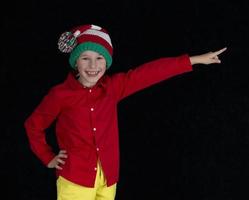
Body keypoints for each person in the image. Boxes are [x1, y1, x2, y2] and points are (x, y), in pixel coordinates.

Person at [24, 24, 227, 200]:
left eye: (99, 58)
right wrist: (47, 157)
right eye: (85, 58)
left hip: (109, 178)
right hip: (75, 179)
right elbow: (33, 125)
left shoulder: (113, 87)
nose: (93, 66)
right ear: (76, 62)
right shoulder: (60, 94)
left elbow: (149, 73)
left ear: (107, 62)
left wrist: (194, 60)